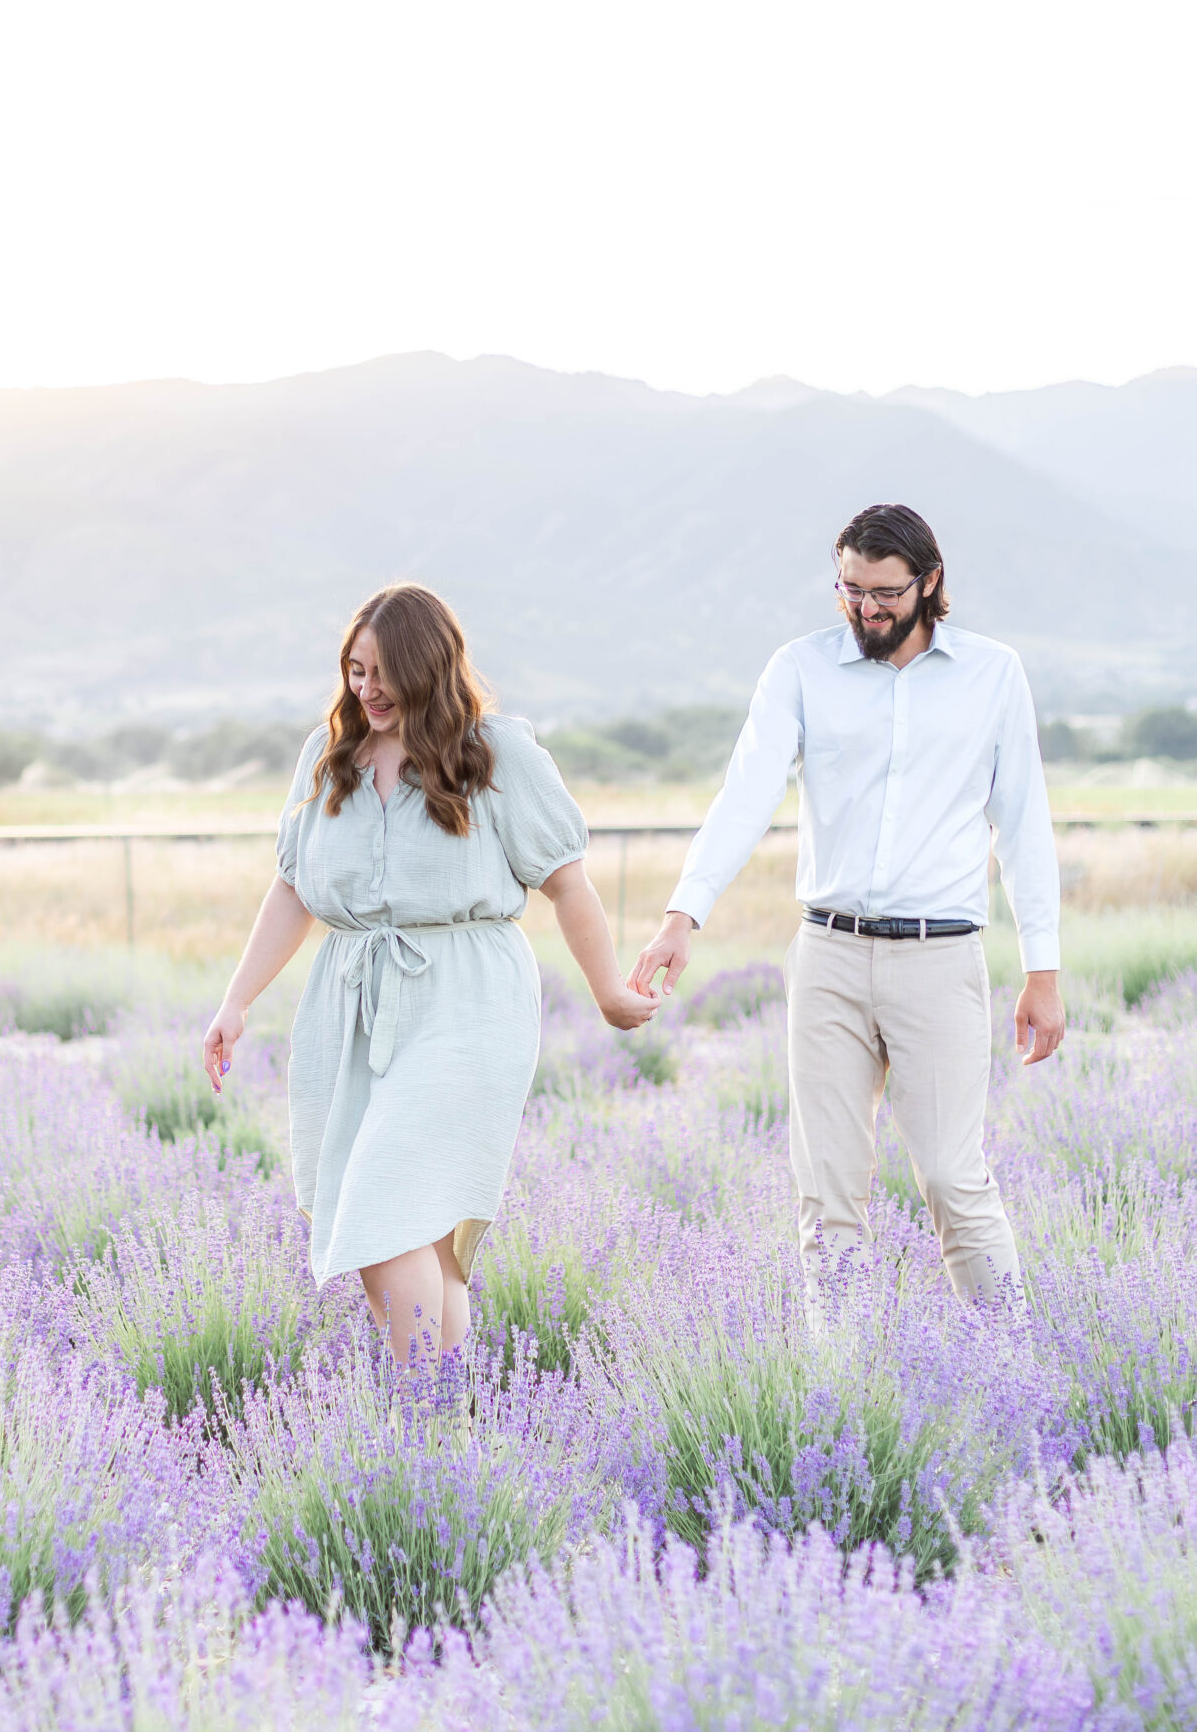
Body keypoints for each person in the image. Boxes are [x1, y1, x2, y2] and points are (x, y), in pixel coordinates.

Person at [203, 583, 661, 1362]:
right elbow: (291, 889)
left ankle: (419, 1416)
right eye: (354, 670)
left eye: (384, 673)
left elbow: (566, 883)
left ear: (430, 668)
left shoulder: (495, 752)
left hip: (466, 1000)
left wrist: (610, 992)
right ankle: (446, 1426)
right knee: (413, 1227)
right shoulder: (327, 756)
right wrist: (236, 1000)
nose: (367, 690)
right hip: (349, 1000)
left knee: (385, 1205)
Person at [629, 503, 1063, 1305]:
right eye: (850, 589)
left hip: (940, 957)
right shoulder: (798, 669)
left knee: (950, 1179)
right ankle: (847, 1395)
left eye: (884, 592)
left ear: (929, 582)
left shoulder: (993, 674)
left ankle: (1015, 1361)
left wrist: (1043, 970)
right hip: (827, 955)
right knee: (827, 1195)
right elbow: (744, 797)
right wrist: (680, 916)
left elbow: (1023, 824)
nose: (865, 608)